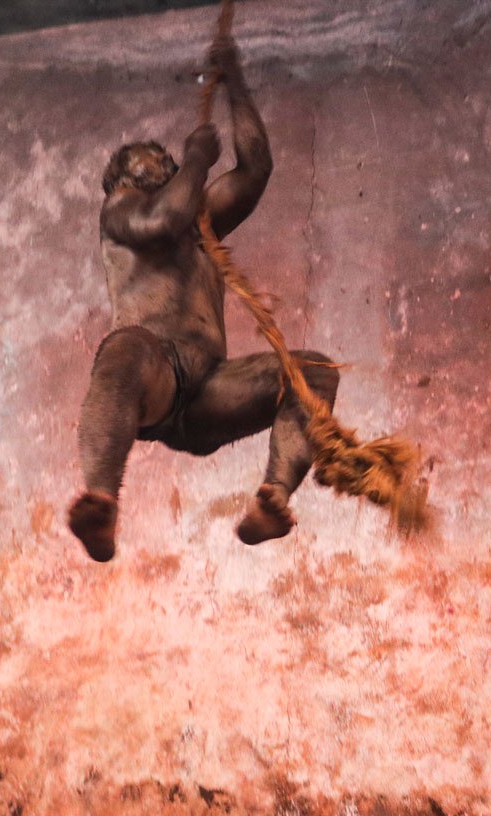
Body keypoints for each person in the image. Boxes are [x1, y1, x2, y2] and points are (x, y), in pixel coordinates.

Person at [68, 38, 339, 562]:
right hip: (157, 374)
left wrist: (235, 79)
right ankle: (101, 501)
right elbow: (163, 219)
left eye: (163, 159)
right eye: (146, 160)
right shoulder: (120, 210)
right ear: (123, 177)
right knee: (123, 350)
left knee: (315, 374)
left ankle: (273, 501)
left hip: (211, 386)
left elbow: (256, 168)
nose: (158, 161)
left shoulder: (199, 215)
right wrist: (195, 158)